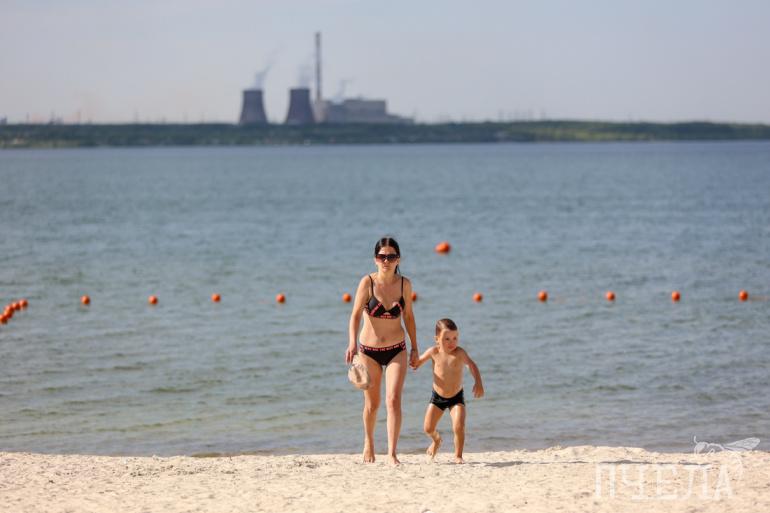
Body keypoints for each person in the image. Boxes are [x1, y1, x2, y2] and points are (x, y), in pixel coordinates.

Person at [346, 237, 418, 465]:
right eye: (382, 256)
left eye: (391, 256)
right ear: (375, 259)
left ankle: (392, 453)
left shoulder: (405, 284)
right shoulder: (367, 283)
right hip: (369, 352)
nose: (386, 261)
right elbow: (355, 316)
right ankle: (369, 442)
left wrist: (415, 347)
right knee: (372, 404)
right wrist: (352, 343)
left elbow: (409, 317)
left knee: (393, 400)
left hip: (397, 349)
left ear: (398, 259)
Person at [414, 318, 484, 464]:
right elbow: (418, 362)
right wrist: (414, 362)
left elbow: (472, 365)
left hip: (456, 397)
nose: (452, 342)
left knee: (459, 426)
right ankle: (436, 440)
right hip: (437, 397)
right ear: (437, 339)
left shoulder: (460, 353)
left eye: (455, 338)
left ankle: (458, 455)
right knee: (428, 428)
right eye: (447, 339)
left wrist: (478, 381)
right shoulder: (433, 352)